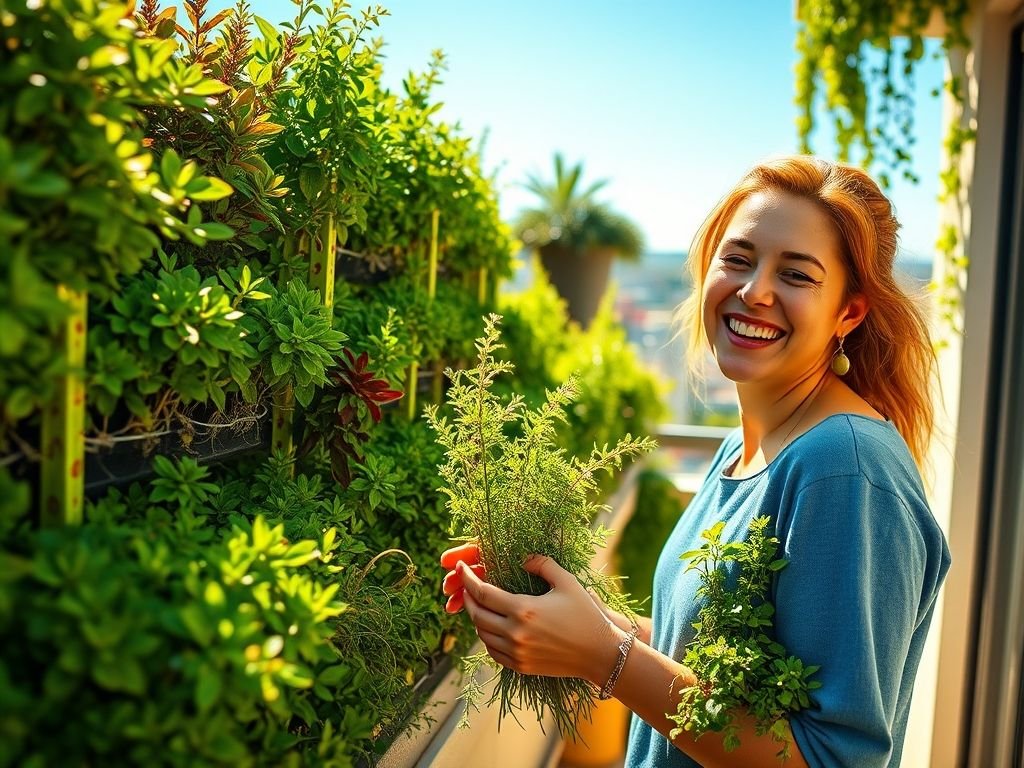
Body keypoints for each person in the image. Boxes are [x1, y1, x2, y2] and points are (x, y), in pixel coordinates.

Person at [439, 155, 951, 767]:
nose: (755, 290)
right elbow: (713, 667)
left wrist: (606, 658)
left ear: (850, 312)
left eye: (797, 275)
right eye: (737, 260)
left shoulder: (846, 470)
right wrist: (586, 626)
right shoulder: (743, 449)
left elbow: (831, 757)